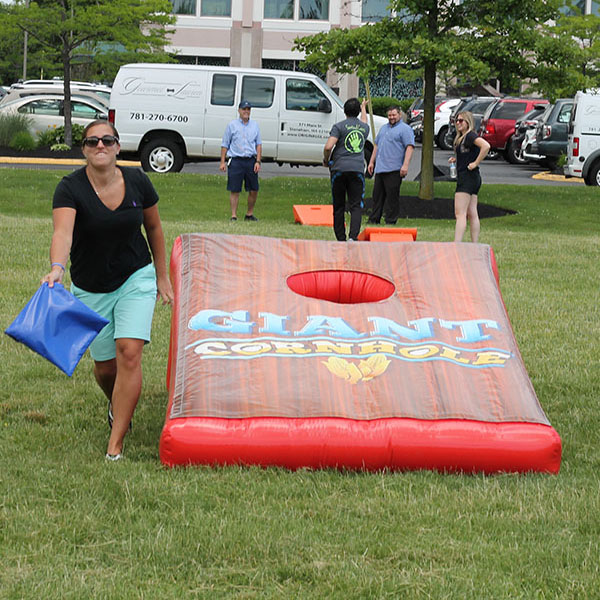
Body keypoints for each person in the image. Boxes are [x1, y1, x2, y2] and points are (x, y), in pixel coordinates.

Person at [41, 120, 174, 461]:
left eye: (107, 140)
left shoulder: (138, 181)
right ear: (84, 149)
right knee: (105, 366)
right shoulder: (69, 188)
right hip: (91, 286)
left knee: (129, 351)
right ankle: (116, 404)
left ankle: (115, 445)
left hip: (136, 276)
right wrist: (57, 266)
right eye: (92, 142)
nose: (100, 146)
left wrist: (162, 277)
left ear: (118, 146)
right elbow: (63, 233)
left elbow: (155, 228)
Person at [323, 98, 369, 241]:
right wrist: (363, 108)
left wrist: (326, 159)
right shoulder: (364, 128)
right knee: (356, 205)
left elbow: (328, 146)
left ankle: (341, 238)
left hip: (339, 169)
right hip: (357, 170)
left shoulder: (339, 126)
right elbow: (364, 121)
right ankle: (353, 237)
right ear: (357, 112)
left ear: (344, 111)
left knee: (339, 205)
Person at [367, 106, 415, 225]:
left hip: (394, 169)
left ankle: (391, 221)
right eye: (389, 115)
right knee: (377, 197)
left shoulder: (405, 129)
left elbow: (409, 147)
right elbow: (376, 145)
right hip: (380, 168)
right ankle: (374, 219)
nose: (391, 117)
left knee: (392, 198)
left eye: (394, 115)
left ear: (399, 115)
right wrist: (371, 162)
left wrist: (405, 165)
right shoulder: (384, 128)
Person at [448, 111, 490, 242]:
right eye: (457, 121)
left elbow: (486, 146)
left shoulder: (470, 136)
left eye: (461, 120)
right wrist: (456, 160)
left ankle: (457, 244)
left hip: (467, 177)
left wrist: (476, 163)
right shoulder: (462, 138)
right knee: (472, 213)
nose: (458, 123)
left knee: (460, 213)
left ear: (468, 122)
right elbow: (467, 154)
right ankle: (474, 244)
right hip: (473, 177)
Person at [220, 100, 262, 222]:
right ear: (239, 111)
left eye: (248, 109)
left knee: (254, 189)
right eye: (244, 109)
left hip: (250, 161)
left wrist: (258, 161)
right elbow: (225, 144)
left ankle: (249, 214)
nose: (246, 112)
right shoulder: (232, 125)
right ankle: (233, 215)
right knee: (235, 189)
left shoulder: (255, 125)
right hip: (236, 161)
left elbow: (258, 145)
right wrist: (222, 162)